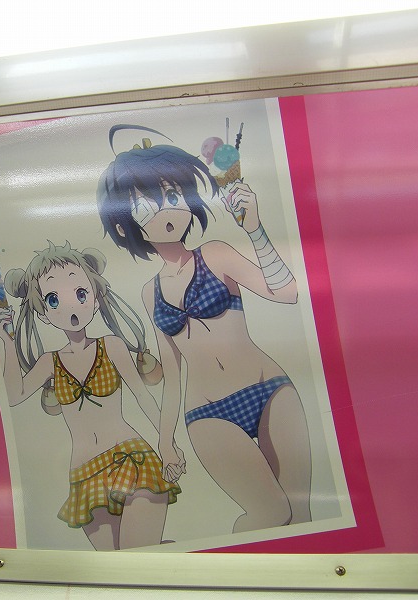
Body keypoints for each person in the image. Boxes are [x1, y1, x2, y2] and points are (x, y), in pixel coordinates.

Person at [97, 125, 311, 533]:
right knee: (271, 514)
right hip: (207, 413)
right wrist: (165, 440)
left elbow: (287, 294)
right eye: (146, 204)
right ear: (125, 224)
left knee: (301, 516)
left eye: (173, 195)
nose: (167, 210)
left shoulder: (215, 254)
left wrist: (255, 229)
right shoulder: (149, 292)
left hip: (269, 388)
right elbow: (171, 373)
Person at [0, 241, 182, 550]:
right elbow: (12, 396)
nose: (71, 306)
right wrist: (7, 343)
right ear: (43, 313)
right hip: (84, 473)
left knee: (139, 559)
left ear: (95, 299)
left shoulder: (111, 345)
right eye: (53, 299)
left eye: (80, 293)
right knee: (116, 572)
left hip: (129, 457)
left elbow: (143, 397)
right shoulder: (49, 362)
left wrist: (167, 443)